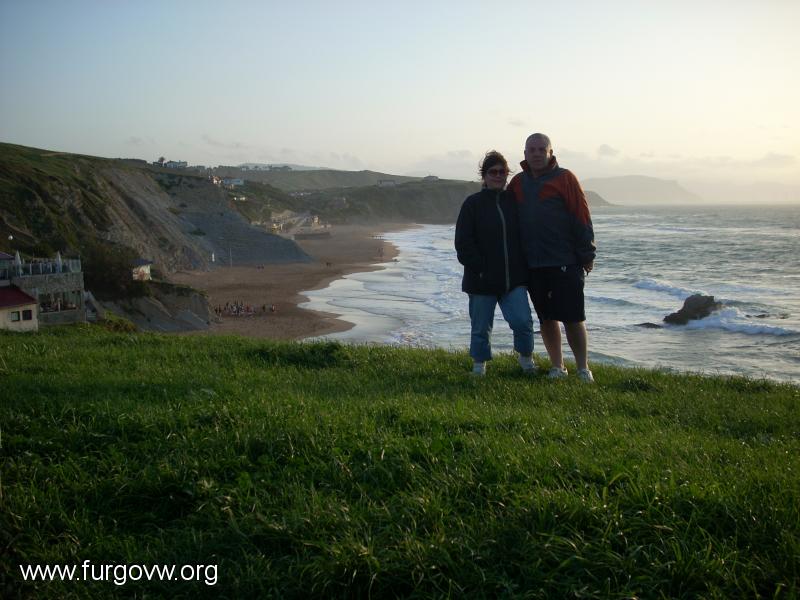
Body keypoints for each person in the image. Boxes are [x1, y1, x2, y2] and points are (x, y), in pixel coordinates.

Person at [507, 133, 596, 383]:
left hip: (565, 261)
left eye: (541, 149)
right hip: (533, 264)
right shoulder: (518, 182)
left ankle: (583, 368)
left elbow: (581, 216)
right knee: (546, 318)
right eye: (531, 149)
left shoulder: (565, 178)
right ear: (525, 154)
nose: (536, 153)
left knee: (573, 318)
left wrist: (587, 254)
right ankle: (558, 366)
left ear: (550, 153)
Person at [455, 150, 534, 376]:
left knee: (523, 322)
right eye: (493, 172)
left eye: (502, 172)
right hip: (481, 280)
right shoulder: (472, 204)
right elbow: (463, 243)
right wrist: (481, 269)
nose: (498, 176)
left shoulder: (515, 202)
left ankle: (526, 362)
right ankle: (479, 367)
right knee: (481, 328)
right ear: (484, 175)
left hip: (513, 280)